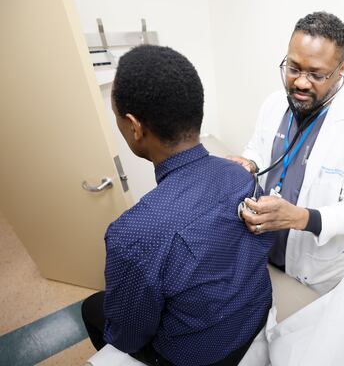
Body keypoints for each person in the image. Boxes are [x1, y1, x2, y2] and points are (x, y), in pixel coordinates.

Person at [81, 45, 273, 366]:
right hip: (254, 319)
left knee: (91, 308)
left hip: (201, 357)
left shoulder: (132, 235)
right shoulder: (241, 175)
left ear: (134, 126)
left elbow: (129, 336)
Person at [231, 11, 344, 294]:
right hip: (260, 249)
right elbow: (259, 149)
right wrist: (249, 163)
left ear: (341, 69)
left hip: (311, 272)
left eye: (316, 74)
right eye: (293, 67)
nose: (300, 82)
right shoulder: (273, 104)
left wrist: (300, 217)